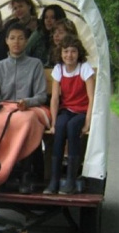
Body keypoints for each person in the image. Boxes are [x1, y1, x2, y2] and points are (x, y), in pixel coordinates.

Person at [0, 23, 50, 194]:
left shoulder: (35, 64)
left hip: (28, 108)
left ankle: (25, 174)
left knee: (25, 122)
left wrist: (27, 102)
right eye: (12, 38)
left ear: (26, 41)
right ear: (6, 41)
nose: (16, 42)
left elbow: (41, 96)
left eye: (20, 38)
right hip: (3, 109)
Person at [43, 35, 95, 195]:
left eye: (73, 51)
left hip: (82, 111)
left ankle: (71, 180)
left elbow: (92, 98)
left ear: (78, 53)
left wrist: (87, 123)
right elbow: (55, 98)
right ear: (61, 52)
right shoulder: (59, 69)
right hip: (67, 110)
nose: (69, 55)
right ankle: (54, 180)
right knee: (59, 127)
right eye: (66, 51)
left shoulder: (84, 68)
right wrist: (52, 123)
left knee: (72, 127)